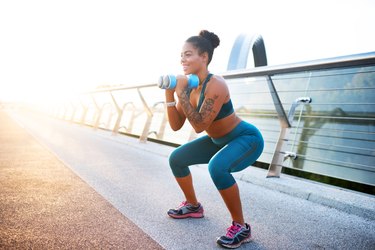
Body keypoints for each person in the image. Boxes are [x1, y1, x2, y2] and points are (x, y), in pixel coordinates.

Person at [164, 30, 264, 249]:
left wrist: (181, 93)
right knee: (176, 158)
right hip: (217, 140)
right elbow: (176, 125)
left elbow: (199, 126)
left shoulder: (215, 84)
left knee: (217, 167)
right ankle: (193, 206)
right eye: (181, 55)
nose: (182, 59)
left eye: (188, 54)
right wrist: (170, 93)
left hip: (245, 138)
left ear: (204, 57)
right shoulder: (189, 88)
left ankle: (241, 226)